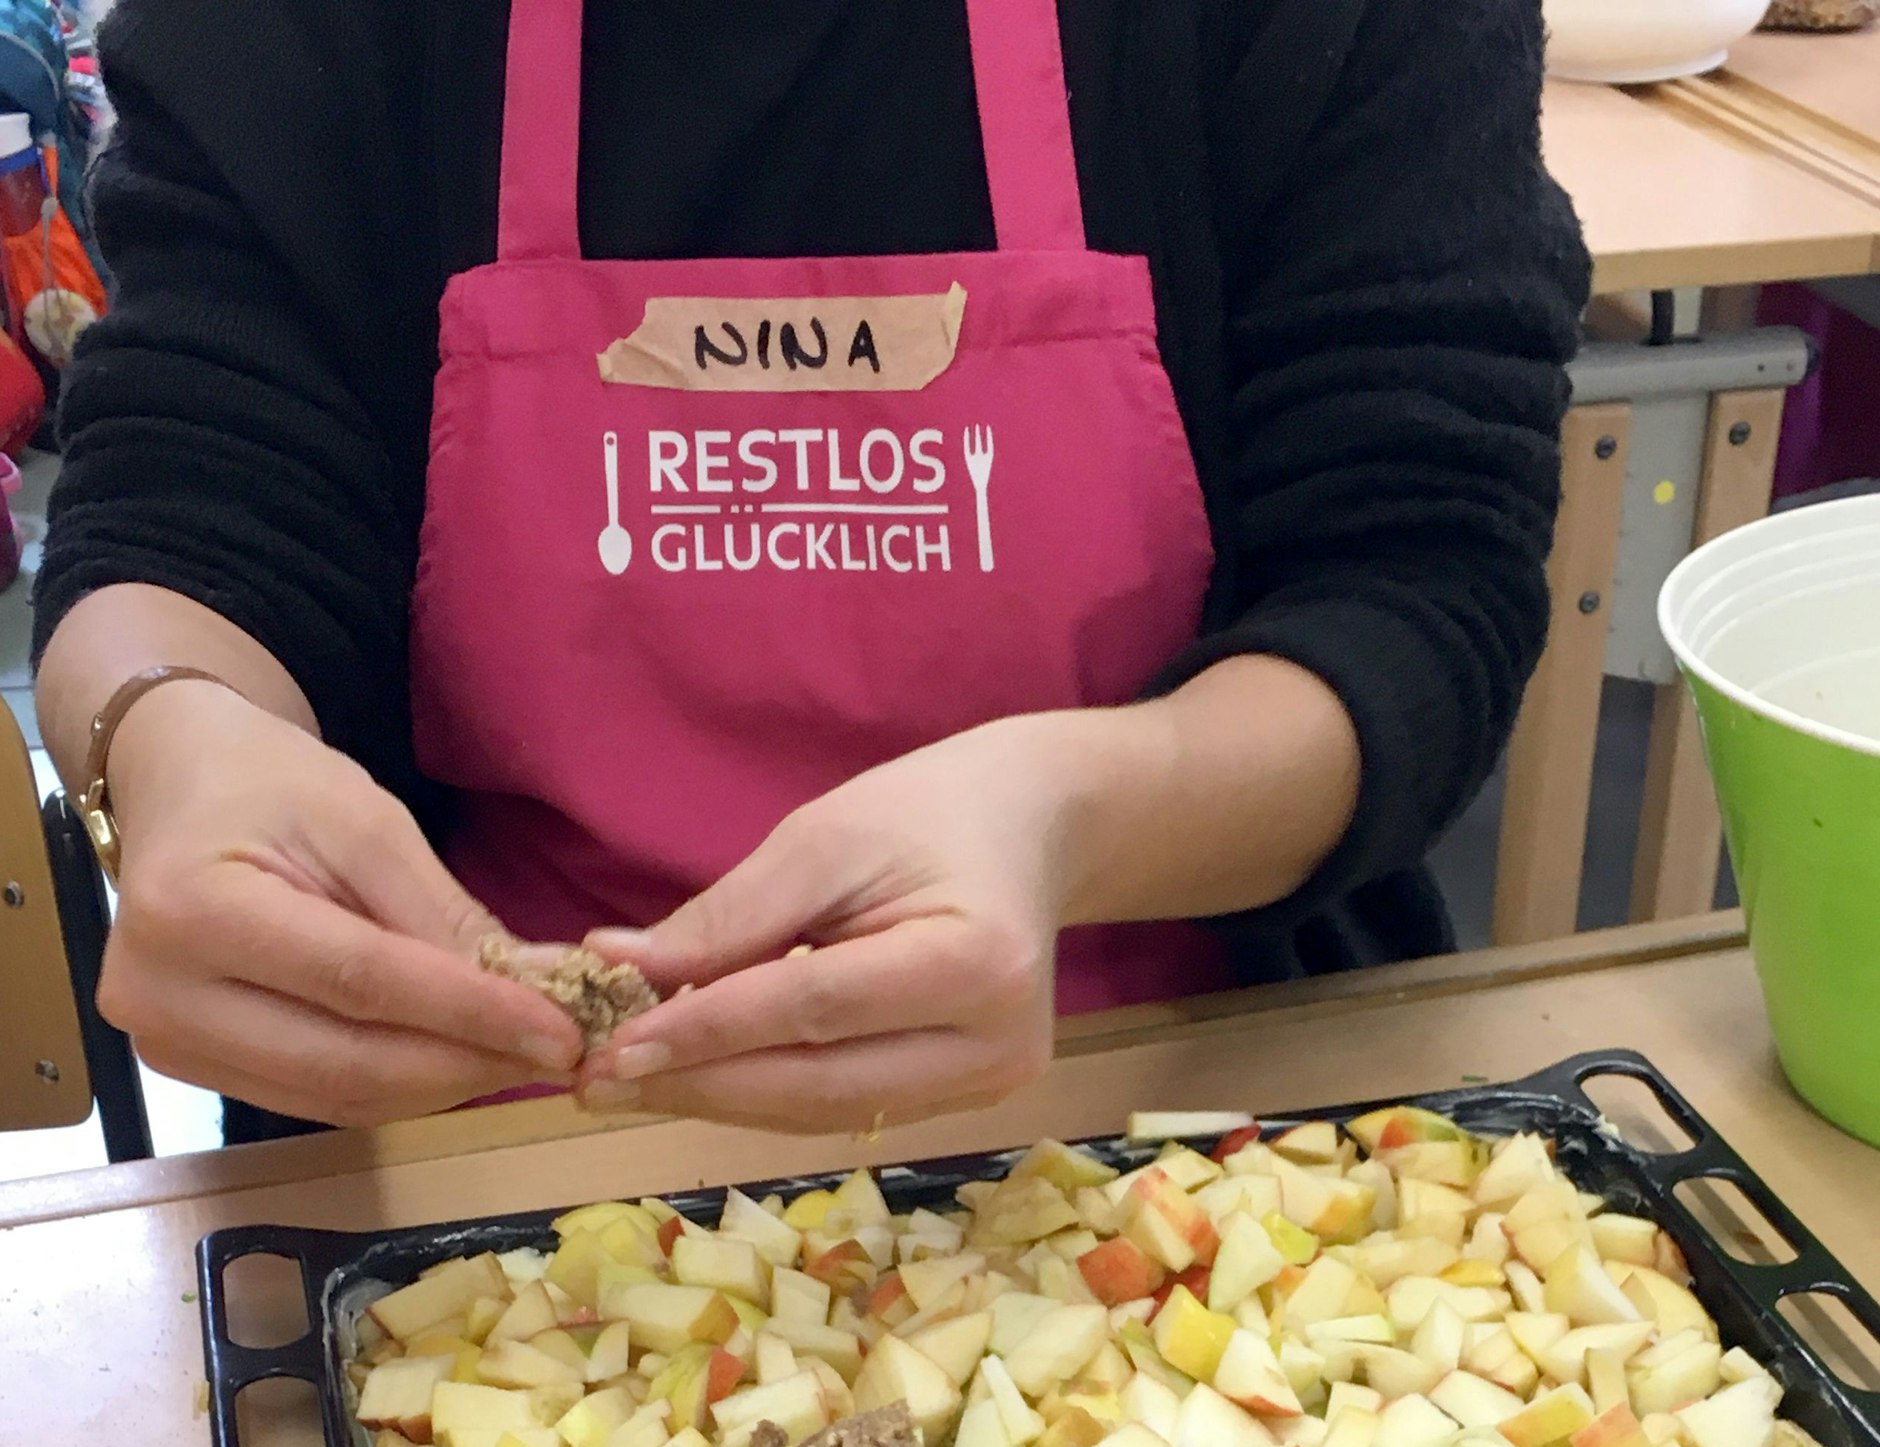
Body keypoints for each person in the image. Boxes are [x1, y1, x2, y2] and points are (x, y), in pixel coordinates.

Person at [34, 0, 1588, 1142]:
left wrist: (1065, 821)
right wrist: (170, 743)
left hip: (1179, 1127)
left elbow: (1411, 583)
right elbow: (185, 515)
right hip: (473, 1145)